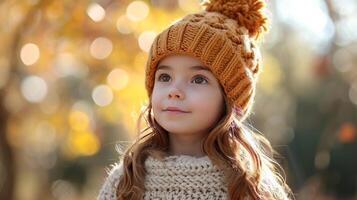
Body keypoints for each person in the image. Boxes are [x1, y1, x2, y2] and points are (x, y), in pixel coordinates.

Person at [97, 0, 293, 199]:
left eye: (198, 79)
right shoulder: (126, 180)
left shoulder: (251, 187)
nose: (174, 91)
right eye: (165, 77)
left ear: (230, 100)